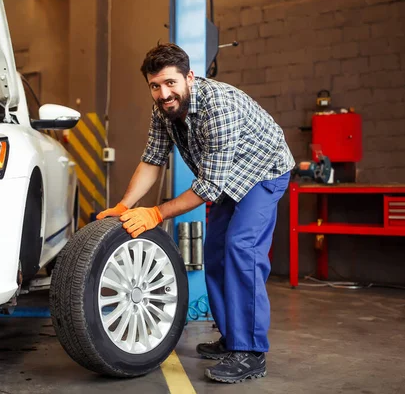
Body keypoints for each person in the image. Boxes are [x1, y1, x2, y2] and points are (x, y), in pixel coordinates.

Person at [96, 43, 294, 383]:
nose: (163, 93)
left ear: (189, 77)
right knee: (215, 253)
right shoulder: (163, 110)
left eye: (170, 83)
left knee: (241, 248)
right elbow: (152, 160)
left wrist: (155, 214)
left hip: (264, 171)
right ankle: (232, 339)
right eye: (155, 86)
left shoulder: (220, 105)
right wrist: (125, 204)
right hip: (226, 176)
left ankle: (250, 353)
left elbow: (208, 188)